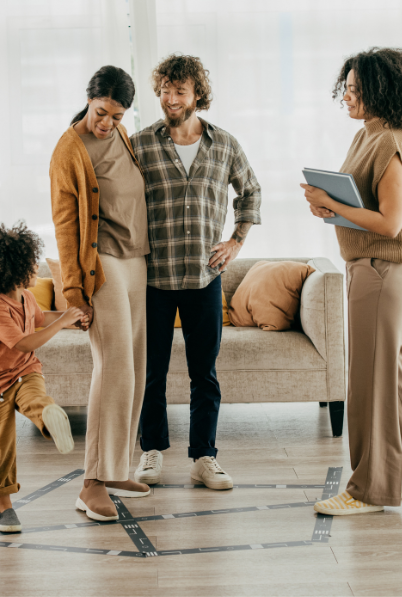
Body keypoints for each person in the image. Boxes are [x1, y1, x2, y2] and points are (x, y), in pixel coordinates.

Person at [305, 48, 402, 516]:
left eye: (355, 88)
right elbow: (364, 207)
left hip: (384, 267)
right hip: (370, 266)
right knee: (392, 371)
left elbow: (390, 223)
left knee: (369, 379)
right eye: (346, 87)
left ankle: (370, 488)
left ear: (379, 92)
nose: (346, 95)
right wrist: (330, 206)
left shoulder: (391, 141)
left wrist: (333, 208)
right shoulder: (367, 135)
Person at [131, 54, 262, 490]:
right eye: (165, 90)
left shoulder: (223, 145)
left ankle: (204, 457)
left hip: (205, 278)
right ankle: (151, 451)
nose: (170, 99)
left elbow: (251, 192)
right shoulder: (141, 144)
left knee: (203, 373)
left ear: (197, 96)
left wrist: (236, 241)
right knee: (151, 372)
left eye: (179, 91)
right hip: (153, 279)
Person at [50, 65, 151, 522]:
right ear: (88, 100)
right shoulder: (70, 150)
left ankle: (116, 469)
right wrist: (74, 292)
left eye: (115, 115)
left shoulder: (122, 135)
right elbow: (65, 225)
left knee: (135, 366)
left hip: (136, 260)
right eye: (100, 112)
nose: (106, 122)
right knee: (113, 368)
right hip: (103, 263)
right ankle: (91, 483)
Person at [0, 221, 84, 533]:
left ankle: (49, 419)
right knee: (1, 446)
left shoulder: (26, 297)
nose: (36, 268)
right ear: (12, 269)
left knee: (37, 398)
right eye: (31, 264)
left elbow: (41, 319)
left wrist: (71, 317)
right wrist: (61, 325)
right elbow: (23, 341)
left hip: (23, 371)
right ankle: (5, 506)